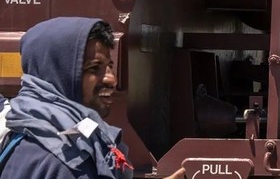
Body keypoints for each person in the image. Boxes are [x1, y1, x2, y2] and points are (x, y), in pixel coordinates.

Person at [0, 17, 183, 179]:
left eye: (109, 66)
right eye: (94, 68)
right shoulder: (64, 162)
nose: (111, 79)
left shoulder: (40, 135)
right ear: (58, 74)